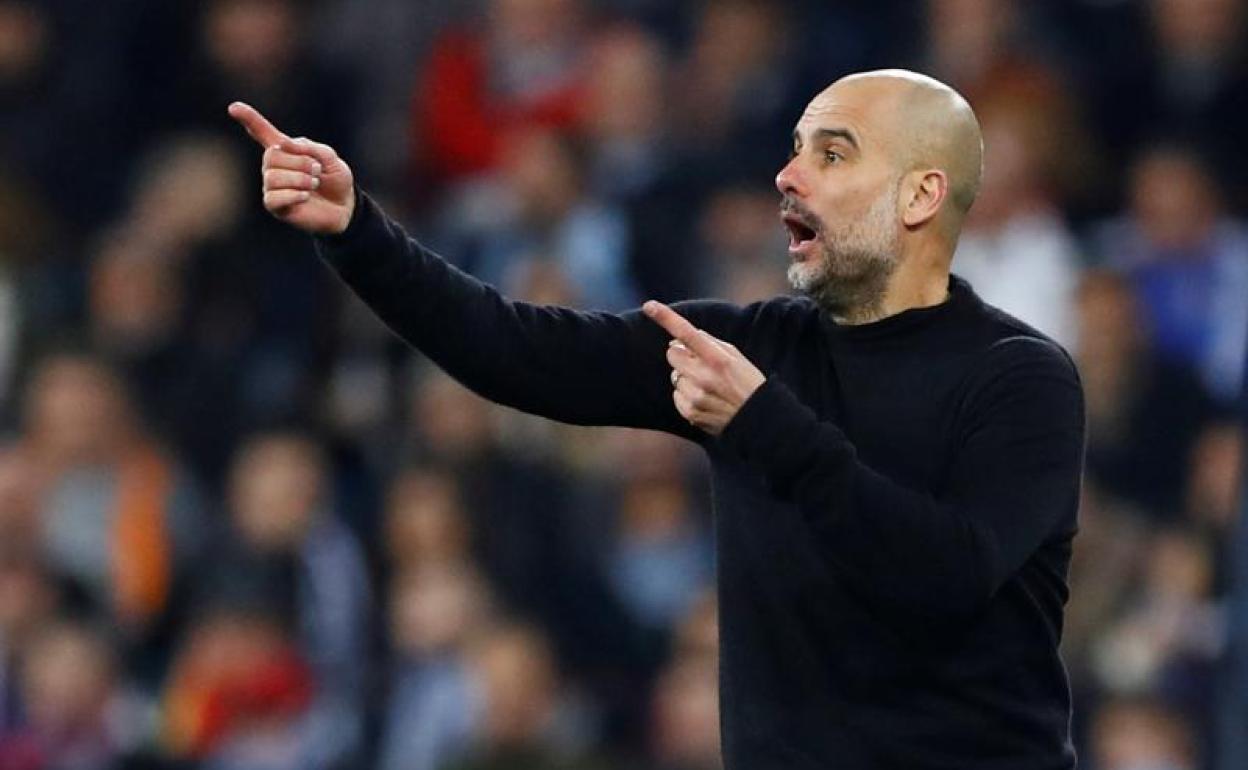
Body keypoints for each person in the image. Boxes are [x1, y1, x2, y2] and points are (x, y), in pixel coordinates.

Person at [228, 68, 1086, 769]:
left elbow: (945, 576)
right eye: (793, 151)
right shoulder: (750, 346)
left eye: (833, 154)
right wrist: (358, 232)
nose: (788, 176)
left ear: (920, 195)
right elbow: (516, 349)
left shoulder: (1019, 380)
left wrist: (760, 422)